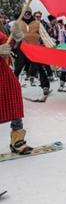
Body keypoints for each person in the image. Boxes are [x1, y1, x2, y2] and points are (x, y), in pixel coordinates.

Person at [0, 21, 33, 154]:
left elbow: (8, 44)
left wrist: (16, 39)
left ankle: (17, 140)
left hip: (3, 71)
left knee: (14, 98)